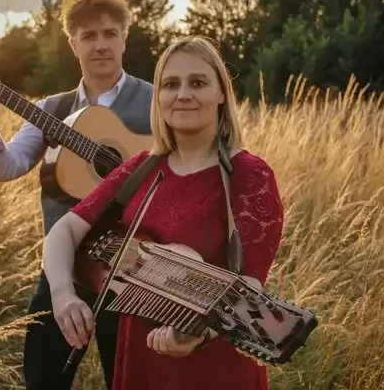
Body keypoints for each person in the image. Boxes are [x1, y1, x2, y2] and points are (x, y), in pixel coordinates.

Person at [42, 36, 285, 390]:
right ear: (159, 98)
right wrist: (63, 294)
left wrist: (196, 335)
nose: (183, 94)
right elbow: (63, 232)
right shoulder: (141, 167)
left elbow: (248, 287)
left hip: (213, 371)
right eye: (171, 84)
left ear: (221, 94)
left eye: (198, 82)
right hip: (140, 362)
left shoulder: (249, 175)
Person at [0, 0, 154, 390]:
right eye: (88, 36)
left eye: (108, 33)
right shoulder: (53, 109)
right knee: (43, 379)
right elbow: (7, 166)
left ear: (124, 38)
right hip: (63, 269)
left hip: (138, 272)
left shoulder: (158, 102)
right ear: (73, 44)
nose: (100, 45)